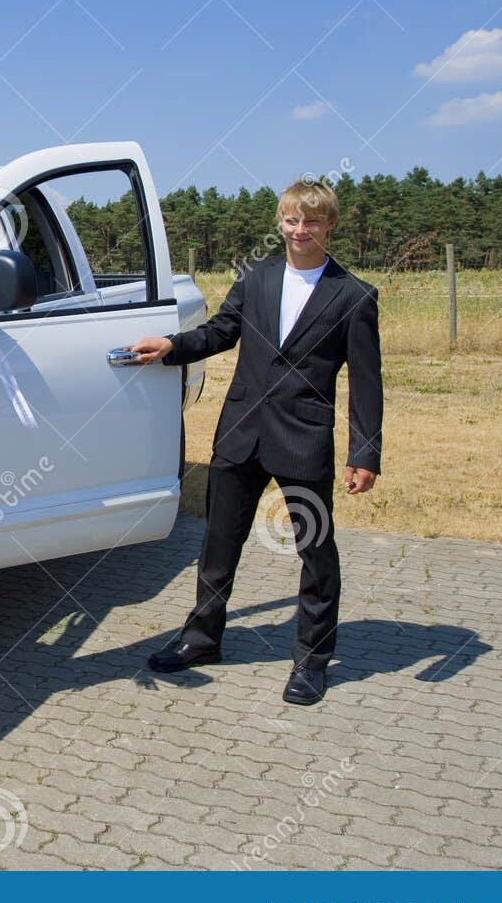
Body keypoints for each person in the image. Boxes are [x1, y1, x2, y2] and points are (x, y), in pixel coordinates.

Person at [125, 179, 382, 705]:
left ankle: (312, 660)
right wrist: (173, 345)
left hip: (304, 439)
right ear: (281, 222)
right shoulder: (256, 278)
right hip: (241, 433)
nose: (300, 230)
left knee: (316, 554)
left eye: (311, 221)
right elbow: (220, 332)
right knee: (218, 544)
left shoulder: (354, 295)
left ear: (329, 225)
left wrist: (365, 452)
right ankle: (202, 639)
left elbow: (367, 382)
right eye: (292, 219)